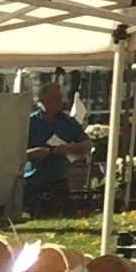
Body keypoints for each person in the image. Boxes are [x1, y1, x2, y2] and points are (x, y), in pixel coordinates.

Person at [23, 79, 93, 214]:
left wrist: (68, 148)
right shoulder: (30, 122)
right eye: (55, 98)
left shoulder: (66, 121)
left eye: (61, 98)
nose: (60, 102)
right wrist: (34, 153)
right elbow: (15, 154)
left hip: (58, 181)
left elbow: (87, 144)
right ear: (43, 100)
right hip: (33, 182)